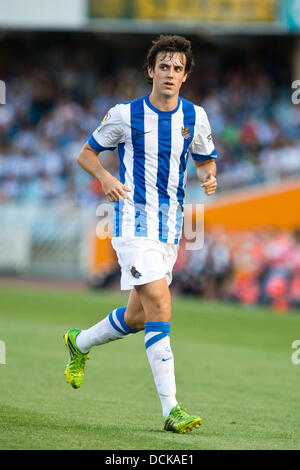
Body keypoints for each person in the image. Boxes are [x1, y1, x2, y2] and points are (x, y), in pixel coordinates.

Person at [64, 35, 218, 434]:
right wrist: (105, 177)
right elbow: (85, 154)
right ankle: (172, 409)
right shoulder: (124, 114)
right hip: (132, 223)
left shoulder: (195, 117)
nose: (170, 73)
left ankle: (78, 343)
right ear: (151, 71)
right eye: (163, 66)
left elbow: (205, 158)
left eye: (177, 68)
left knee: (136, 317)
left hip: (169, 229)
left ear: (185, 76)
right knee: (162, 309)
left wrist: (209, 176)